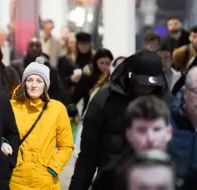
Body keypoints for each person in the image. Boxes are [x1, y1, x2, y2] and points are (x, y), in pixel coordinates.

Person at [69, 51, 172, 190]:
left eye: (150, 85)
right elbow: (88, 157)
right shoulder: (104, 100)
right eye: (141, 84)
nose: (146, 89)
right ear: (130, 76)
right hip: (110, 182)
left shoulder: (167, 101)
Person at [9, 59, 74, 189]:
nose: (34, 85)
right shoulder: (11, 106)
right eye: (29, 80)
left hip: (46, 181)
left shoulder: (57, 109)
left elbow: (66, 145)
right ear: (24, 83)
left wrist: (53, 168)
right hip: (15, 179)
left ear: (46, 85)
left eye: (39, 81)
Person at [91, 95, 173, 189]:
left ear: (169, 133)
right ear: (129, 134)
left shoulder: (186, 175)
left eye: (157, 129)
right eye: (142, 130)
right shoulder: (109, 177)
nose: (150, 138)